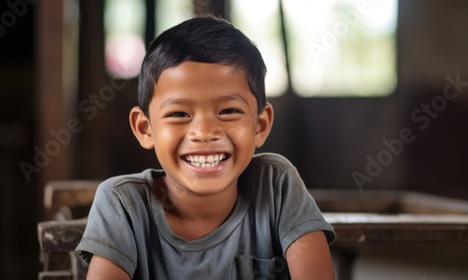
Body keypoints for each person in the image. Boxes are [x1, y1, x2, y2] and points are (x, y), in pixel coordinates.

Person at [76, 15, 336, 280]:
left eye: (228, 111)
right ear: (145, 128)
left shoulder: (275, 186)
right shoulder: (122, 205)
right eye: (178, 114)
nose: (204, 132)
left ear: (260, 125)